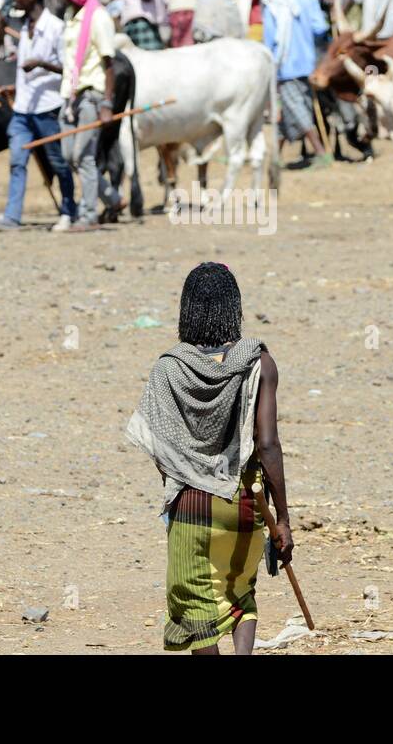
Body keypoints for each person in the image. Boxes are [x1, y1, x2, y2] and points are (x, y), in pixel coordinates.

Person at [125, 262, 292, 655]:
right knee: (239, 593)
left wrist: (187, 476)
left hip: (192, 508)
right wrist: (282, 519)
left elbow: (159, 447)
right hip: (247, 504)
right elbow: (267, 445)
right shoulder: (258, 363)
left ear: (187, 310)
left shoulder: (169, 368)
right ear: (234, 308)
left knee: (195, 608)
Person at [0, 0, 75, 233]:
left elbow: (69, 69)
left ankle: (69, 210)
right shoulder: (24, 28)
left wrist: (41, 64)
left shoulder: (56, 28)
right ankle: (12, 216)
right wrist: (16, 88)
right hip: (22, 109)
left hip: (48, 107)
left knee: (58, 162)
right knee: (17, 160)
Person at [56, 0, 117, 231]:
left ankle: (89, 214)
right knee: (70, 156)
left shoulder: (99, 18)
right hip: (70, 95)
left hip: (91, 95)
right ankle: (112, 198)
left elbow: (109, 63)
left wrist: (107, 103)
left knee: (84, 156)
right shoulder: (72, 16)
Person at [263, 0, 329, 167]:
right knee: (295, 107)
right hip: (307, 61)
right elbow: (320, 28)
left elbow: (270, 36)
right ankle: (276, 156)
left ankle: (320, 152)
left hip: (285, 63)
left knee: (296, 108)